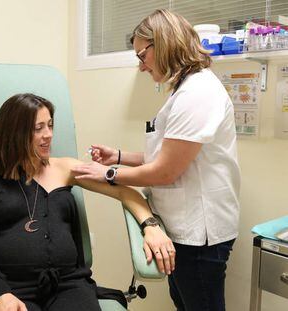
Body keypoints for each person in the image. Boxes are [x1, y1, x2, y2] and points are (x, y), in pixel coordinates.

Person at [72, 9, 240, 311]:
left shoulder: (198, 94)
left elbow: (165, 172)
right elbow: (167, 155)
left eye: (141, 55)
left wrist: (108, 173)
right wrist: (119, 156)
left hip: (199, 233)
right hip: (181, 225)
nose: (140, 66)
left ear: (161, 44)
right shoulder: (183, 91)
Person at [0, 93, 175, 311]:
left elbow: (125, 192)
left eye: (50, 125)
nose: (48, 135)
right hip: (12, 288)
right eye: (38, 128)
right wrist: (0, 293)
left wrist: (151, 227)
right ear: (15, 133)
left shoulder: (65, 169)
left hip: (67, 286)